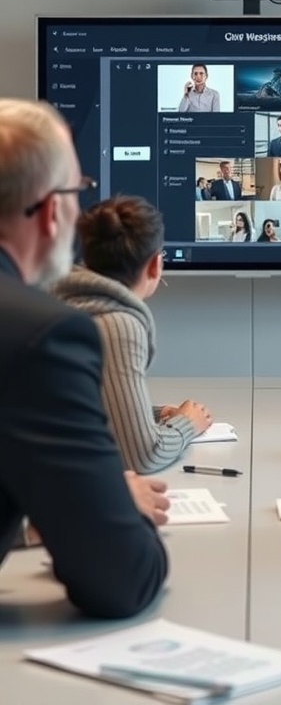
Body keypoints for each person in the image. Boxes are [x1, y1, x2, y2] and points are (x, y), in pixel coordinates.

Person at [0, 99, 169, 618]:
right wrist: (105, 503)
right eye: (79, 191)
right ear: (53, 211)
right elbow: (123, 579)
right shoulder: (39, 335)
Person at [54, 196, 213, 474]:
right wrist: (189, 423)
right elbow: (143, 456)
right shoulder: (117, 324)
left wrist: (155, 414)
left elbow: (82, 407)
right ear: (155, 265)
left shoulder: (63, 300)